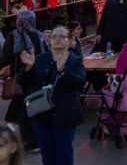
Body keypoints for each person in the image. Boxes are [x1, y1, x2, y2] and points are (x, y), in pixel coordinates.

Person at [19, 26, 86, 165]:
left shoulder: (75, 60)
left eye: (62, 36)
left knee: (64, 153)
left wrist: (63, 70)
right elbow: (23, 83)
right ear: (49, 40)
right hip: (41, 114)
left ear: (69, 40)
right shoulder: (39, 59)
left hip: (64, 115)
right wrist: (28, 68)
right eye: (54, 36)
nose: (57, 39)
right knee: (47, 154)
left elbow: (80, 83)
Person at [0, 10, 48, 153]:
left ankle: (29, 142)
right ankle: (20, 139)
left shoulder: (14, 35)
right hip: (37, 78)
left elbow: (7, 57)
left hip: (21, 78)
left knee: (23, 110)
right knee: (21, 108)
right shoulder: (39, 35)